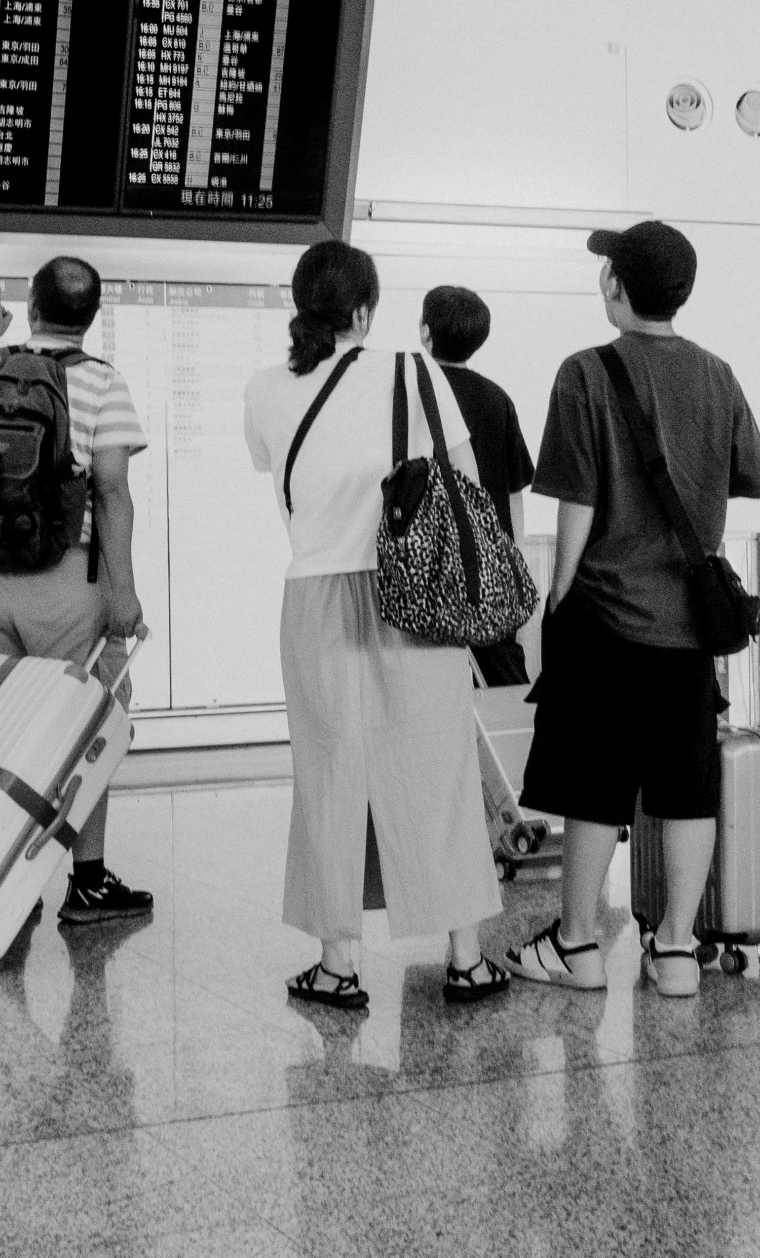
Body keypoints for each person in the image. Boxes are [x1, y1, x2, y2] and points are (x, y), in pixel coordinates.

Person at [503, 221, 760, 999]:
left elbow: (577, 502)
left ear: (616, 286)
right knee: (686, 782)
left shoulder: (584, 373)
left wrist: (556, 599)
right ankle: (679, 951)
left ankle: (579, 944)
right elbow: (746, 475)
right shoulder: (718, 374)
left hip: (605, 613)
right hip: (687, 622)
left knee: (595, 783)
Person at [241, 241, 509, 1009]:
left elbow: (277, 470)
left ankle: (338, 965)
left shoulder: (264, 389)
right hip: (413, 595)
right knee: (439, 769)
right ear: (365, 309)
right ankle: (464, 958)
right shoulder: (413, 373)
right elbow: (465, 480)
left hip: (314, 598)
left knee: (329, 774)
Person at [0, 256, 153, 925]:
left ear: (32, 306)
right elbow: (111, 491)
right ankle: (89, 882)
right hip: (64, 583)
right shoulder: (103, 384)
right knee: (85, 728)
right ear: (93, 316)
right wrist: (123, 595)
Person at [421, 285, 538, 686]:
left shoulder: (411, 397)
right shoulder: (496, 399)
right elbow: (513, 492)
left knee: (432, 679)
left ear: (425, 331)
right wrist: (515, 565)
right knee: (503, 677)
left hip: (428, 565)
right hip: (490, 567)